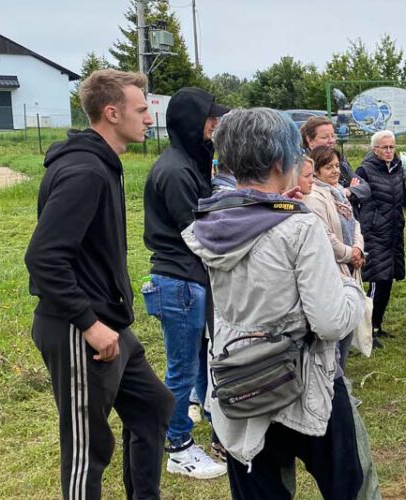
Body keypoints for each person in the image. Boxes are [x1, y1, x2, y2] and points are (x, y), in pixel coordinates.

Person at [183, 107, 368, 499]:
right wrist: (352, 289)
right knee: (350, 486)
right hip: (305, 378)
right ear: (279, 159)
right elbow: (331, 322)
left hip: (239, 378)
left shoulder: (211, 222)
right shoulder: (298, 226)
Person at [24, 69, 174, 499]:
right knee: (87, 449)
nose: (149, 119)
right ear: (111, 112)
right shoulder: (85, 171)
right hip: (78, 330)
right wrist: (88, 323)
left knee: (153, 405)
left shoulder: (103, 164)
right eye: (141, 109)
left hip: (110, 323)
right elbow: (43, 258)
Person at [141, 86, 229, 479]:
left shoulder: (190, 163)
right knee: (179, 368)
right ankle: (177, 446)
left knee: (198, 359)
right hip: (178, 282)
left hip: (189, 280)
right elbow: (196, 232)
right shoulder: (175, 170)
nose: (216, 128)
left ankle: (212, 420)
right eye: (211, 121)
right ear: (193, 123)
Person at [302, 146, 365, 372]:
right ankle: (335, 382)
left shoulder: (338, 191)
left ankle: (341, 379)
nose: (335, 171)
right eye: (329, 167)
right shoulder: (314, 196)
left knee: (349, 325)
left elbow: (355, 223)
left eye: (337, 166)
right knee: (338, 328)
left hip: (350, 263)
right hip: (334, 267)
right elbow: (325, 235)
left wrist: (358, 247)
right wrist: (349, 253)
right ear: (317, 171)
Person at [356, 130, 406, 345]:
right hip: (375, 232)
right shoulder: (364, 170)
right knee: (378, 280)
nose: (388, 151)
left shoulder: (397, 167)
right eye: (384, 147)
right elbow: (358, 195)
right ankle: (368, 330)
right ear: (375, 149)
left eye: (392, 147)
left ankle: (377, 324)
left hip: (394, 231)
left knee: (388, 281)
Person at [300, 115, 371, 215]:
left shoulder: (341, 161)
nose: (331, 141)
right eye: (325, 137)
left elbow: (365, 188)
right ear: (310, 140)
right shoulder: (300, 167)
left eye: (333, 136)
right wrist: (338, 194)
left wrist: (347, 191)